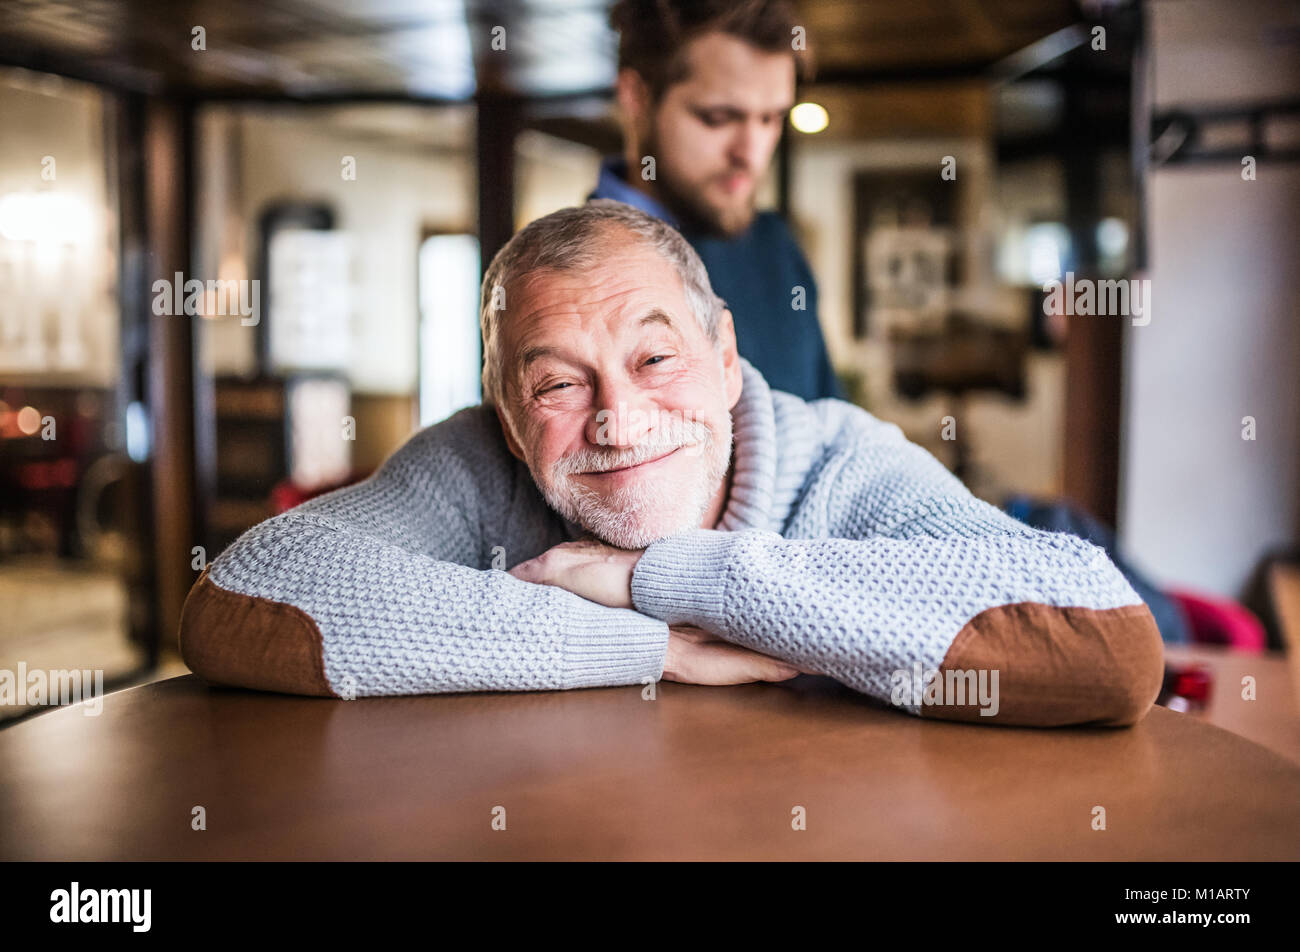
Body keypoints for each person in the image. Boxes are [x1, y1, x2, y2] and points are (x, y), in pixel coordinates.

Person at [179, 201, 1164, 728]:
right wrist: (649, 645)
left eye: (656, 359)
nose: (619, 418)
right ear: (511, 418)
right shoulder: (478, 462)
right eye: (558, 384)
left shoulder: (841, 458)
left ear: (726, 356)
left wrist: (655, 577)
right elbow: (244, 596)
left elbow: (1103, 644)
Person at [589, 0, 842, 402]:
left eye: (771, 118)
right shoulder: (570, 275)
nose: (752, 154)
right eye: (719, 118)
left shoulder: (775, 245)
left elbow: (837, 428)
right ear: (636, 95)